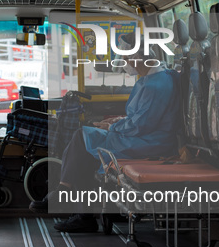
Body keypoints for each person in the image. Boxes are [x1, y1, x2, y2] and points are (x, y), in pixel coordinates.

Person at [30, 32, 181, 233]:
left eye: (126, 58)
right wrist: (117, 121)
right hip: (142, 137)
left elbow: (141, 125)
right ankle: (80, 211)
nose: (125, 62)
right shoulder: (151, 79)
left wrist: (112, 127)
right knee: (84, 147)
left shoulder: (156, 85)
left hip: (150, 143)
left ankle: (67, 195)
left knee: (81, 137)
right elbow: (141, 118)